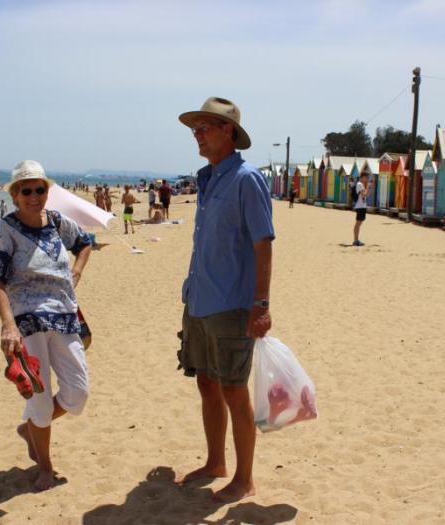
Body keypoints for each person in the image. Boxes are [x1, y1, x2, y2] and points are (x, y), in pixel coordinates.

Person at [175, 97, 274, 503]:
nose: (197, 134)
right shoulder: (208, 178)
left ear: (227, 132)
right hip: (199, 299)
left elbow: (263, 242)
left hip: (232, 304)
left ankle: (244, 477)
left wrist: (262, 304)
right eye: (195, 128)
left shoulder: (246, 179)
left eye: (205, 127)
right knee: (206, 381)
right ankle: (216, 462)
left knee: (234, 389)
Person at [0, 160, 92, 491]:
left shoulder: (58, 222)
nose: (34, 196)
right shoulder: (5, 229)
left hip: (64, 315)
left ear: (47, 191)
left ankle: (30, 428)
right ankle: (45, 466)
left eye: (40, 189)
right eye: (26, 190)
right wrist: (8, 326)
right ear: (16, 195)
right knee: (40, 398)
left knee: (78, 391)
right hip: (27, 320)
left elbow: (85, 241)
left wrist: (77, 270)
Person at [352, 175, 369, 246]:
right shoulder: (360, 184)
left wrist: (368, 188)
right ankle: (356, 240)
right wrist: (368, 187)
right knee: (358, 224)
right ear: (362, 177)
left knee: (359, 223)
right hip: (360, 207)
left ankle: (356, 240)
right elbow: (363, 195)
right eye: (366, 177)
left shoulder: (361, 185)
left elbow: (366, 195)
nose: (367, 179)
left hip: (362, 206)